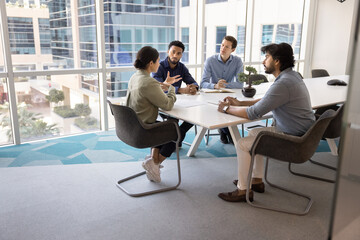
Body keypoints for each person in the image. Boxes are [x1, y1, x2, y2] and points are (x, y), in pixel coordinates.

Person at [217, 43, 315, 202]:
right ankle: (256, 180)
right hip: (302, 133)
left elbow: (253, 113)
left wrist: (226, 109)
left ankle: (242, 190)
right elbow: (267, 100)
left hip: (293, 139)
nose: (263, 61)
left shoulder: (283, 83)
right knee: (254, 133)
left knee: (242, 144)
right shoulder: (292, 76)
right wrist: (240, 103)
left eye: (266, 57)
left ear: (277, 61)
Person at [126, 46, 180, 183]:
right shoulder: (149, 82)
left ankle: (152, 161)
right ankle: (155, 163)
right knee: (176, 132)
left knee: (166, 125)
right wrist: (172, 88)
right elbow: (168, 104)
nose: (159, 64)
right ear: (151, 63)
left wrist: (162, 86)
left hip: (131, 127)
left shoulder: (135, 77)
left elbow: (149, 94)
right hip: (143, 129)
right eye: (158, 61)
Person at [152, 40, 199, 147]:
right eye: (173, 52)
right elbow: (158, 87)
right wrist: (180, 90)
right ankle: (175, 139)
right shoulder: (158, 66)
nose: (175, 55)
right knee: (173, 119)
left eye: (178, 53)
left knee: (195, 115)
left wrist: (193, 87)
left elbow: (192, 81)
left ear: (181, 55)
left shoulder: (182, 67)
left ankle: (177, 136)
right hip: (163, 103)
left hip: (181, 103)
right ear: (168, 51)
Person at [200, 35, 244, 144]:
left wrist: (224, 86)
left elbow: (240, 84)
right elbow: (202, 83)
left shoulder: (237, 61)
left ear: (233, 50)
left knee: (230, 105)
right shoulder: (210, 61)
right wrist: (215, 86)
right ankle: (228, 131)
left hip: (228, 95)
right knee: (221, 108)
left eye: (227, 47)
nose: (223, 48)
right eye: (222, 45)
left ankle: (224, 130)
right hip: (212, 96)